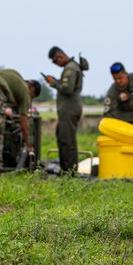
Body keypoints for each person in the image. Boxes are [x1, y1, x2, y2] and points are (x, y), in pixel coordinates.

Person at [45, 46, 84, 174]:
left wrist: (53, 83)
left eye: (55, 61)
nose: (56, 64)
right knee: (63, 138)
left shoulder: (70, 68)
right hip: (67, 110)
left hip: (69, 109)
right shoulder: (71, 67)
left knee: (68, 142)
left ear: (60, 56)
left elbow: (67, 89)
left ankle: (70, 172)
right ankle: (66, 169)